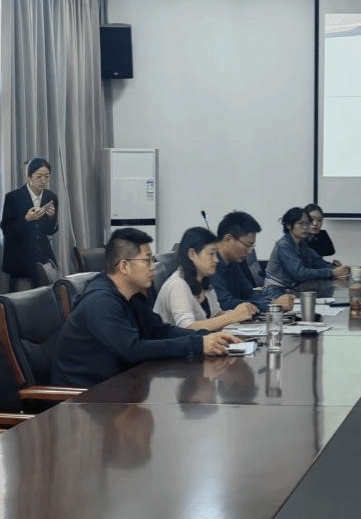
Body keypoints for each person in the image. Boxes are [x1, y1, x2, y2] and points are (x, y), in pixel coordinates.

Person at [52, 228, 240, 388]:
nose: (153, 267)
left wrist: (206, 337)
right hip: (85, 400)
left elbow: (160, 331)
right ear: (124, 266)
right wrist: (198, 344)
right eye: (147, 260)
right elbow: (133, 349)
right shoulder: (100, 302)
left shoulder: (133, 294)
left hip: (120, 386)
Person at [154, 227, 257, 331]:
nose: (216, 260)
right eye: (211, 254)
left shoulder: (204, 281)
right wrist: (233, 316)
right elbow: (187, 327)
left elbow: (215, 314)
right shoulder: (178, 285)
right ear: (192, 254)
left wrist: (241, 313)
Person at [210, 211, 295, 313]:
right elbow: (226, 303)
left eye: (252, 246)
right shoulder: (210, 265)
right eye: (247, 245)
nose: (250, 251)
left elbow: (250, 294)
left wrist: (272, 302)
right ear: (228, 239)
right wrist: (272, 305)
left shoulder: (233, 262)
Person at [263, 206, 351, 299]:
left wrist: (337, 269)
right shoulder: (284, 245)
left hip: (294, 288)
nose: (305, 227)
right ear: (289, 225)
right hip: (276, 291)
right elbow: (300, 274)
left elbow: (318, 263)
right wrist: (332, 273)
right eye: (300, 224)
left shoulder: (301, 243)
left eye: (307, 223)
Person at [1, 157, 59, 290]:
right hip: (19, 258)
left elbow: (51, 230)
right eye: (38, 176)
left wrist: (51, 218)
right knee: (18, 297)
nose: (43, 180)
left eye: (46, 177)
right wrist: (26, 219)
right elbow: (7, 230)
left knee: (46, 295)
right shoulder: (13, 197)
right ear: (29, 177)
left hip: (43, 257)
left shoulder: (51, 197)